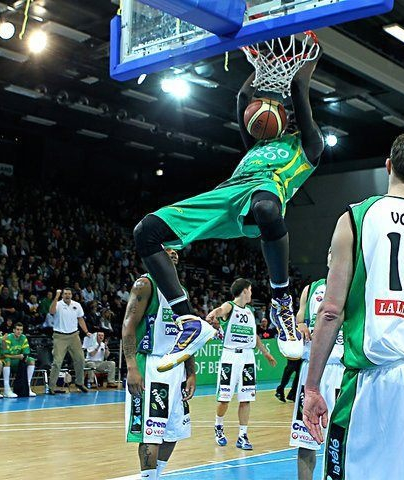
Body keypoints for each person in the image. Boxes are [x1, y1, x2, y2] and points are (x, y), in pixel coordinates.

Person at [132, 49, 324, 364]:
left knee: (266, 209)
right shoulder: (257, 145)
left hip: (265, 192)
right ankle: (187, 321)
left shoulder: (307, 146)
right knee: (147, 230)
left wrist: (312, 54)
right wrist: (262, 67)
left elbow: (298, 89)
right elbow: (242, 98)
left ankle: (281, 302)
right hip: (227, 194)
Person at [302, 129, 404, 479]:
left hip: (377, 377)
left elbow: (331, 311)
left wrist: (313, 386)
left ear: (388, 165)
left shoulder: (356, 218)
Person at [123, 271, 197, 480]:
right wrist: (132, 366)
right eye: (167, 248)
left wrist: (191, 372)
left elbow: (188, 333)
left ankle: (154, 477)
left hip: (177, 365)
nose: (173, 253)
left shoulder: (181, 291)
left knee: (173, 432)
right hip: (151, 364)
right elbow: (128, 326)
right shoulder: (145, 284)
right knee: (151, 434)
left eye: (175, 249)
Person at [289, 251, 344, 480]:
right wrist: (298, 326)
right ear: (327, 257)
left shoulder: (355, 286)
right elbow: (299, 320)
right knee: (305, 440)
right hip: (311, 371)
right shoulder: (311, 289)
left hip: (342, 370)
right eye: (330, 250)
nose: (333, 254)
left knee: (342, 442)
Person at [207, 278, 276, 450]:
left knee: (246, 399)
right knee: (224, 399)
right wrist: (213, 314)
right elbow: (221, 309)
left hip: (248, 358)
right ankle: (218, 425)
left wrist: (266, 353)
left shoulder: (250, 311)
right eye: (250, 290)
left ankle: (242, 435)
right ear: (245, 290)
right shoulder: (230, 306)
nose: (251, 293)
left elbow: (254, 336)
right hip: (230, 357)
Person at [47, 288, 91, 394]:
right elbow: (51, 311)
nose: (67, 295)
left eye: (69, 294)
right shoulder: (57, 304)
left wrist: (86, 332)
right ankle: (51, 386)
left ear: (72, 295)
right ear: (62, 295)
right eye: (65, 294)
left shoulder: (77, 305)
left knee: (80, 359)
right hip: (59, 336)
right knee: (57, 362)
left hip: (74, 335)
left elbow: (80, 319)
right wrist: (56, 297)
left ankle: (79, 383)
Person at [0, 322, 37, 397]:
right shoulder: (8, 337)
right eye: (17, 329)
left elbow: (26, 353)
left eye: (21, 330)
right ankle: (7, 389)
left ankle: (27, 387)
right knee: (7, 360)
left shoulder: (23, 338)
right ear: (13, 330)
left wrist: (23, 357)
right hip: (3, 359)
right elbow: (5, 355)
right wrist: (18, 356)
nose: (19, 331)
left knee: (31, 360)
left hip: (16, 361)